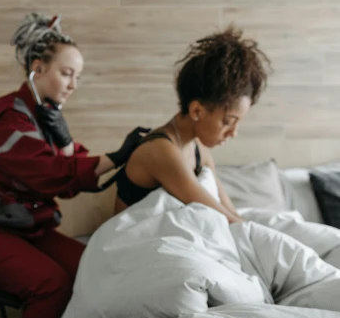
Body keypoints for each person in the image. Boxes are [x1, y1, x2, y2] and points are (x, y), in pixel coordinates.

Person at [0, 13, 149, 318]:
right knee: (53, 285)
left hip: (26, 229)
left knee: (92, 266)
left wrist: (69, 140)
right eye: (66, 73)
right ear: (37, 69)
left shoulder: (45, 115)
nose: (73, 84)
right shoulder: (9, 119)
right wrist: (118, 155)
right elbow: (56, 174)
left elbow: (75, 169)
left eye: (78, 76)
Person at [111, 27, 272, 224]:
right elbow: (220, 215)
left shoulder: (199, 149)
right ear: (197, 111)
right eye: (228, 122)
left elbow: (229, 211)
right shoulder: (160, 150)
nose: (233, 133)